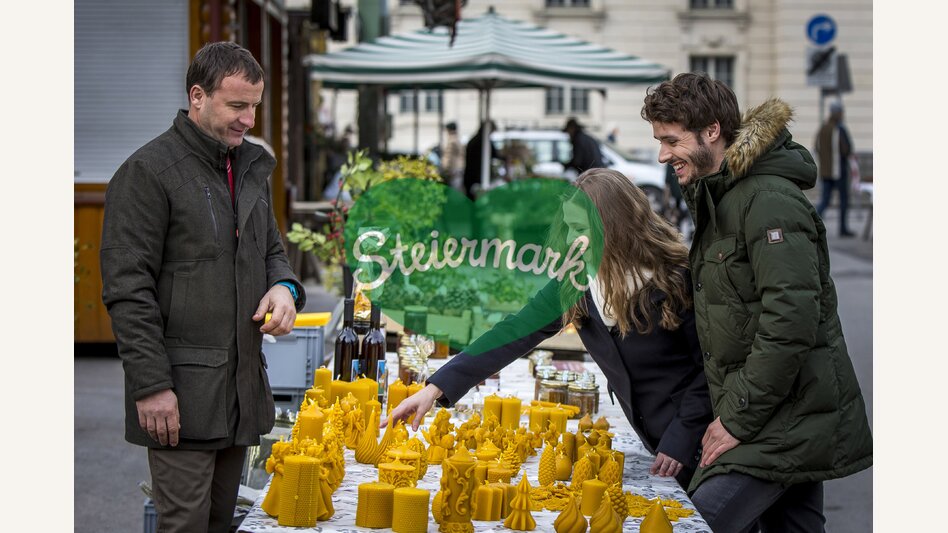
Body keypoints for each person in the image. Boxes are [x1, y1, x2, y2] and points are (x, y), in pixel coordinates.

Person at [641, 72, 872, 532]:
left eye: (671, 140)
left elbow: (791, 322)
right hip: (774, 413)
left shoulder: (766, 200)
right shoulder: (723, 196)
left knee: (691, 524)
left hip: (778, 419)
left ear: (712, 131)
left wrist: (737, 420)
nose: (663, 154)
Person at [386, 168, 714, 489]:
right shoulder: (577, 281)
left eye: (581, 228)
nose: (573, 239)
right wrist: (434, 389)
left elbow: (709, 371)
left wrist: (682, 436)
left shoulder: (676, 278)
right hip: (653, 447)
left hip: (700, 445)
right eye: (569, 227)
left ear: (616, 225)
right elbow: (512, 332)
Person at [100, 42, 306, 533]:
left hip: (240, 389)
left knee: (220, 524)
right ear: (197, 96)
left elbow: (273, 250)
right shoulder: (147, 173)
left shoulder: (248, 166)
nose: (249, 120)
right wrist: (152, 387)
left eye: (254, 105)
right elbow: (128, 290)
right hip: (181, 396)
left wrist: (284, 288)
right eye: (237, 105)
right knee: (186, 526)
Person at [814, 101, 855, 237]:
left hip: (826, 171)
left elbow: (817, 147)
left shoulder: (823, 128)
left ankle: (812, 222)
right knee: (843, 200)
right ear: (837, 113)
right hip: (839, 171)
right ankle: (843, 229)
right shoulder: (839, 129)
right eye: (841, 112)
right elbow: (846, 149)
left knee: (825, 199)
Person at [462, 120, 502, 200]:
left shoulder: (475, 140)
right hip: (476, 178)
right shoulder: (483, 142)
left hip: (471, 177)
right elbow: (495, 154)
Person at [441, 121, 464, 192]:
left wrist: (445, 169)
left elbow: (448, 158)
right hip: (458, 170)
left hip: (453, 172)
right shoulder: (457, 139)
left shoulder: (452, 141)